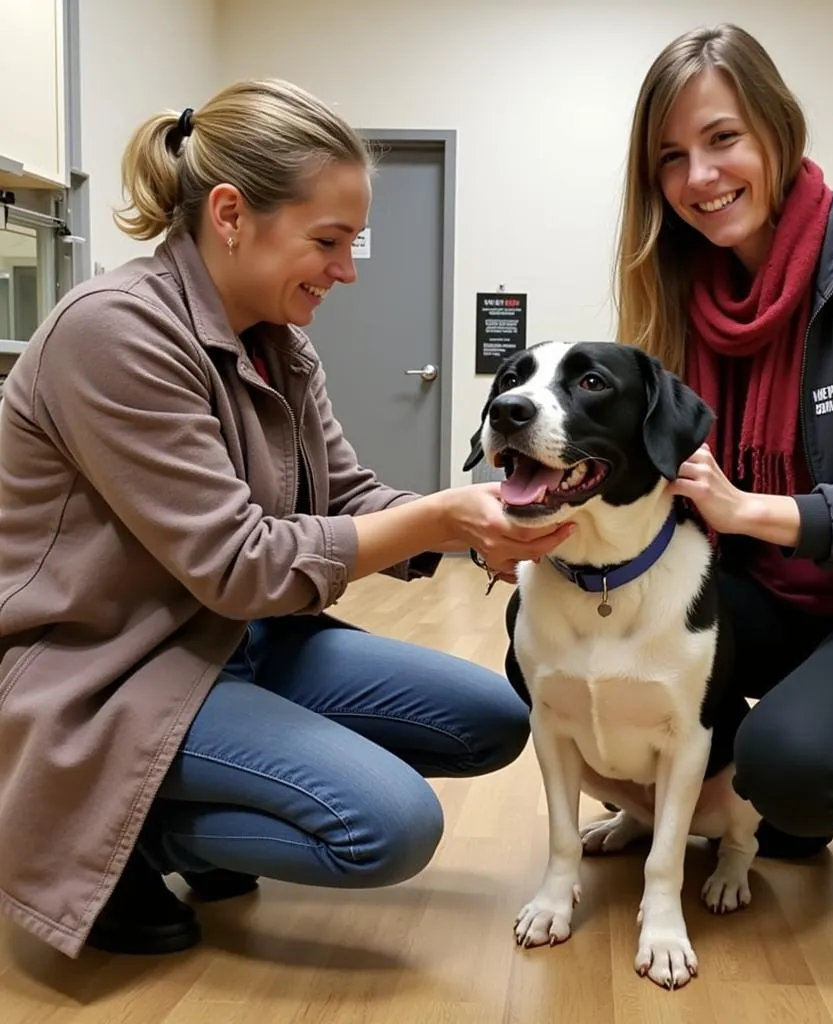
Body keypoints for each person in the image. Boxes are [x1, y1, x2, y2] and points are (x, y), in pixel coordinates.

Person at [0, 78, 576, 960]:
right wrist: (441, 523)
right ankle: (106, 837)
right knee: (388, 828)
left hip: (229, 639)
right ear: (230, 214)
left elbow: (343, 496)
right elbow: (239, 564)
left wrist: (477, 523)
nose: (346, 270)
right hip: (106, 672)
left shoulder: (278, 342)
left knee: (496, 718)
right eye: (329, 241)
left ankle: (184, 797)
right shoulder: (112, 334)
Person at [502, 23, 833, 932]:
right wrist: (547, 523)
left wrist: (750, 508)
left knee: (793, 768)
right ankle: (752, 795)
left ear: (779, 131)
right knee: (543, 627)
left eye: (723, 139)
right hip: (779, 591)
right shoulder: (681, 292)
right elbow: (652, 474)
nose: (700, 177)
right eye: (672, 156)